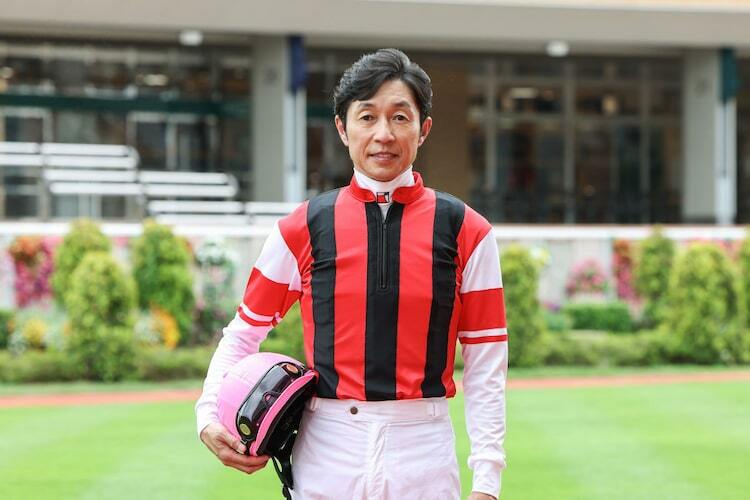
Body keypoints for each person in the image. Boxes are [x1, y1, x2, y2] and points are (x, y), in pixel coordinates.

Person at [196, 48, 508, 500]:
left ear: (423, 129)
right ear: (343, 129)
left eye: (400, 117)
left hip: (424, 451)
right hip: (326, 450)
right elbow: (244, 333)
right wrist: (207, 416)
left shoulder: (468, 231)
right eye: (367, 117)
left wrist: (487, 481)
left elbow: (486, 360)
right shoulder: (301, 228)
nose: (383, 134)